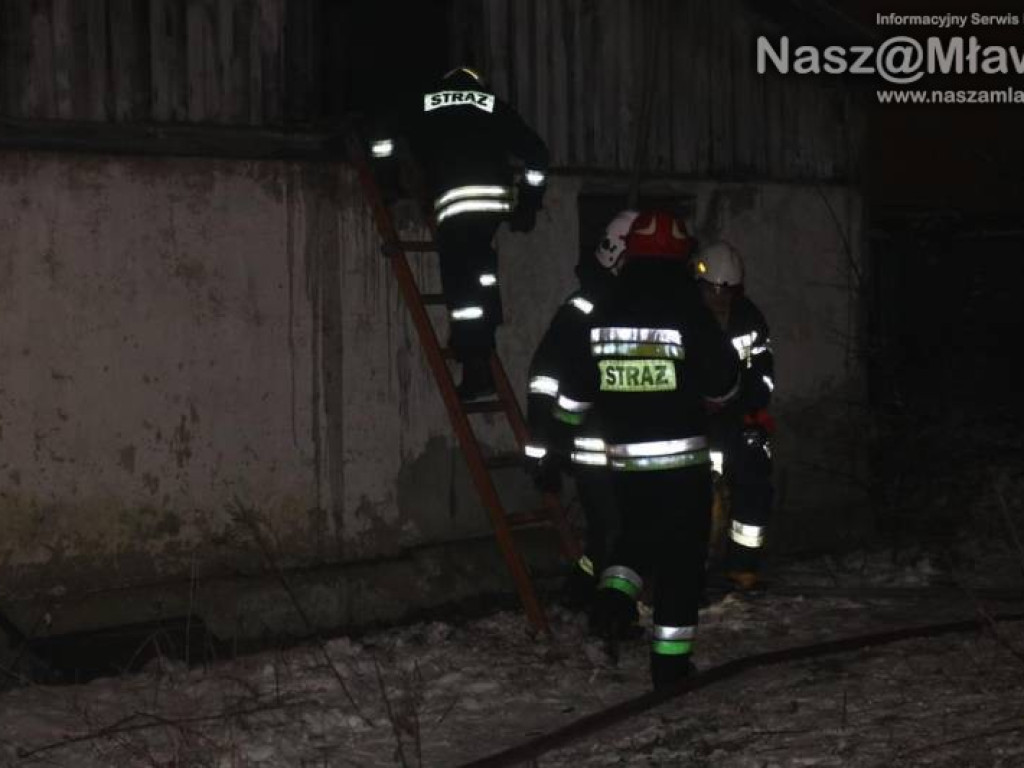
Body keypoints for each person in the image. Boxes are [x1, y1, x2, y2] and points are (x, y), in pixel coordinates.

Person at [551, 211, 741, 689]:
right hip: (682, 466)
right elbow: (723, 385)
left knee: (634, 538)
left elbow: (573, 395)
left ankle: (612, 600)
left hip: (627, 463)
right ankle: (670, 668)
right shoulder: (688, 311)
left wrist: (559, 441)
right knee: (681, 562)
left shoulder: (604, 313)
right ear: (680, 258)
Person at [366, 66, 550, 400]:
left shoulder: (425, 103)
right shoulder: (492, 105)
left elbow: (381, 133)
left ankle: (476, 364)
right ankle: (480, 352)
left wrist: (387, 182)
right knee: (479, 273)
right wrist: (528, 204)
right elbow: (537, 154)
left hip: (453, 203)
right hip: (492, 205)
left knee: (462, 285)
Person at [523, 210, 639, 610]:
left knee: (616, 530)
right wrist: (545, 451)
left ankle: (582, 588)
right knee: (614, 528)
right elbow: (545, 379)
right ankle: (608, 615)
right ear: (617, 257)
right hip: (595, 444)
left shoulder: (635, 305)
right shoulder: (584, 310)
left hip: (630, 444)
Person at [693, 242, 776, 591]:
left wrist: (750, 407)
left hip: (738, 419)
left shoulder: (749, 317)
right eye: (714, 289)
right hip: (695, 421)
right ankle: (691, 569)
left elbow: (764, 372)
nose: (720, 297)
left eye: (727, 290)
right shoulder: (686, 315)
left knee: (754, 483)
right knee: (691, 496)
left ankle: (743, 567)